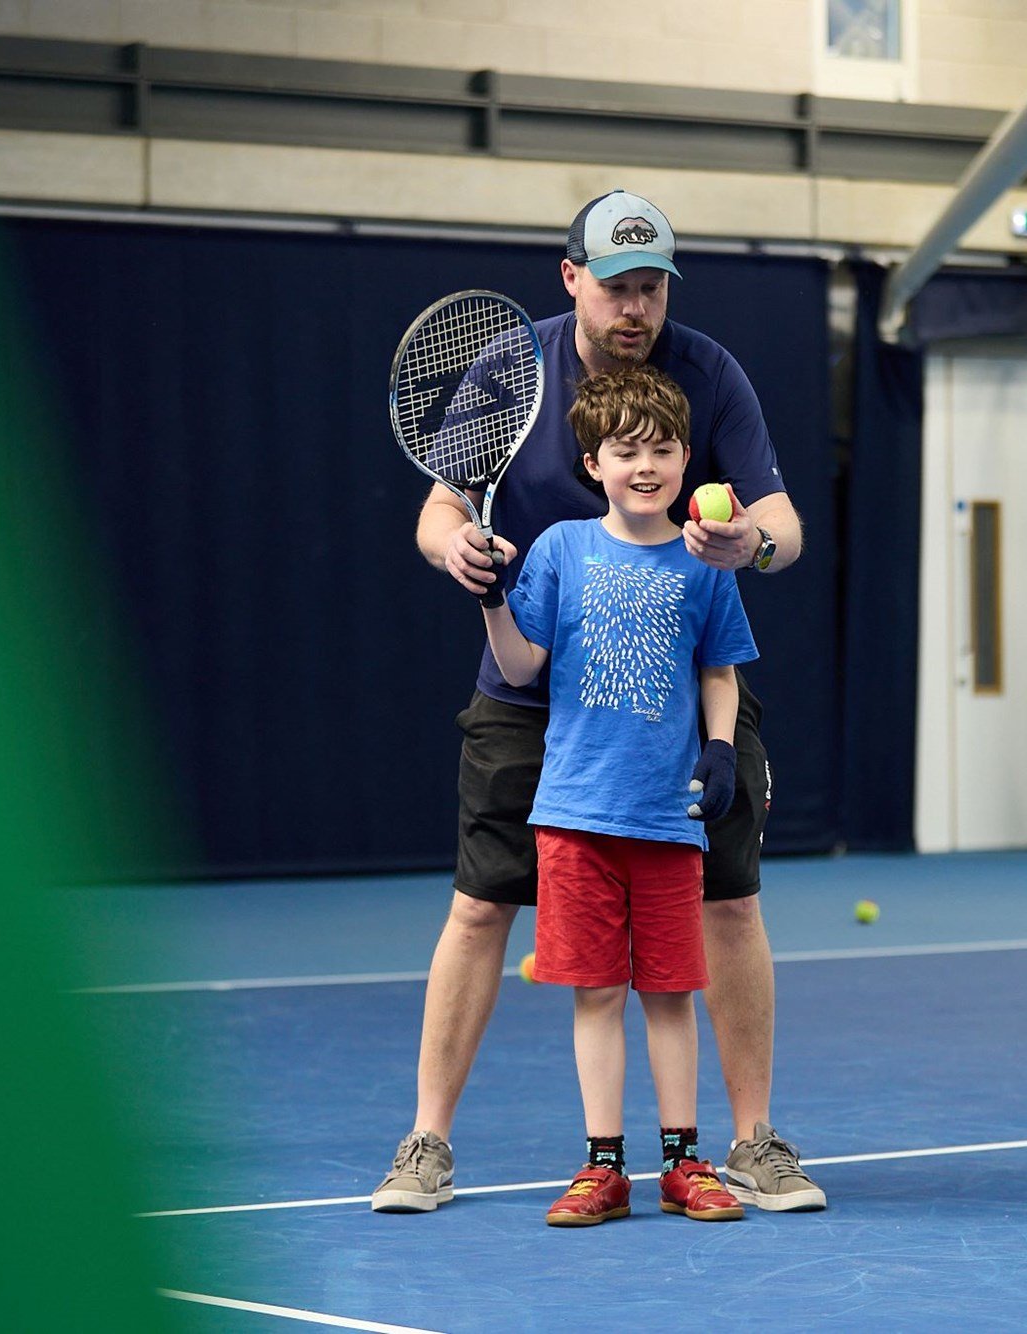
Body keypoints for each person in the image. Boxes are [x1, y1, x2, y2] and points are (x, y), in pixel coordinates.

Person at [373, 190, 826, 1214]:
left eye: (653, 285)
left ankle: (750, 1141)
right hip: (530, 680)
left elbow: (782, 525)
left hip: (672, 690)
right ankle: (425, 1142)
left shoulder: (706, 372)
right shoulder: (510, 366)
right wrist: (452, 546)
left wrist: (743, 544)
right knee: (481, 903)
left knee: (731, 898)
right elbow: (438, 509)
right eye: (617, 284)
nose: (637, 305)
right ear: (570, 276)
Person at [473, 365, 753, 1225]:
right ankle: (604, 1169)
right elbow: (523, 666)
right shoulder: (560, 549)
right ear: (593, 462)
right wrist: (491, 603)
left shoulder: (707, 560)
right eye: (625, 450)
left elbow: (720, 670)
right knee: (596, 993)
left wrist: (719, 748)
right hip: (574, 817)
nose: (645, 465)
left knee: (669, 993)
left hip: (670, 818)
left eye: (662, 449)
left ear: (685, 462)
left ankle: (684, 1163)